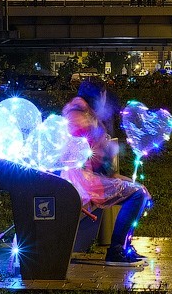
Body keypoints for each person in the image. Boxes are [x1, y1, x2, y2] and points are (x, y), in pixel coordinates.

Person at [60, 79, 151, 266]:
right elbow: (96, 157)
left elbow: (105, 167)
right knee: (138, 194)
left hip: (84, 178)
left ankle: (123, 246)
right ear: (98, 95)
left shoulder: (81, 111)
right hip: (82, 182)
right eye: (104, 95)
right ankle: (117, 249)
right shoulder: (80, 114)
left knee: (138, 191)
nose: (105, 99)